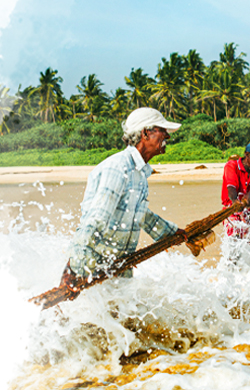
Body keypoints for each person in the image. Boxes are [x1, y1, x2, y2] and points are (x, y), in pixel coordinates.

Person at [60, 108, 187, 292]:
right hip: (91, 266)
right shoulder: (118, 168)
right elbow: (95, 219)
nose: (167, 135)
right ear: (145, 133)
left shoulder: (140, 173)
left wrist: (172, 234)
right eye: (162, 130)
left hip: (120, 265)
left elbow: (140, 214)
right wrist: (73, 269)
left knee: (117, 317)